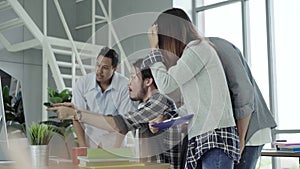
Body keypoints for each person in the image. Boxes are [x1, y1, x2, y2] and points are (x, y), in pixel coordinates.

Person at [144, 8, 240, 169]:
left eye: (161, 42)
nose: (162, 48)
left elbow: (166, 85)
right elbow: (192, 108)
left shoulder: (198, 49)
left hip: (214, 139)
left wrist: (153, 50)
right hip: (204, 138)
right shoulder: (193, 53)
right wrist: (166, 119)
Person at [48, 59, 182, 169]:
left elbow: (119, 124)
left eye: (133, 77)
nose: (129, 82)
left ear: (148, 81)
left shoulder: (159, 101)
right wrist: (78, 110)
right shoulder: (146, 107)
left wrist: (77, 114)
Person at [208, 37, 277, 169]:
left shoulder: (216, 46)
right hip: (232, 135)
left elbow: (244, 93)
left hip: (248, 131)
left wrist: (240, 138)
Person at [71, 47, 134, 148]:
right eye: (97, 65)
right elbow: (76, 116)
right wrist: (83, 146)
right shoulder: (82, 83)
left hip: (116, 141)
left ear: (114, 69)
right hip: (90, 141)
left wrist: (116, 149)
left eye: (105, 67)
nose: (99, 71)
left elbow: (123, 122)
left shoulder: (125, 85)